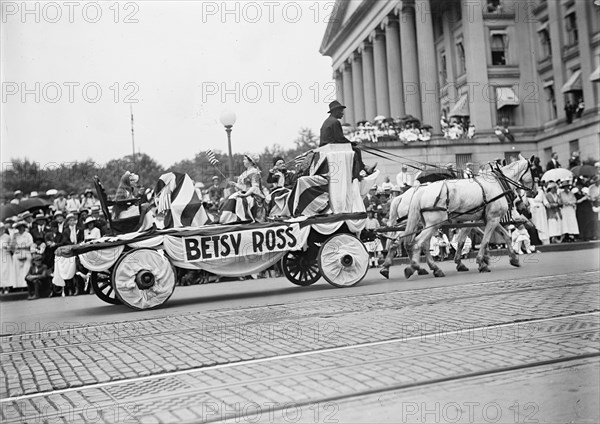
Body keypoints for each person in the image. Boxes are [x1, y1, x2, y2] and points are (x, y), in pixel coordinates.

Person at [319, 100, 377, 180]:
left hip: (327, 147)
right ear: (335, 111)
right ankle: (357, 173)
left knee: (355, 148)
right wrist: (353, 143)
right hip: (331, 147)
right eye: (341, 111)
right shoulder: (335, 122)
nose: (342, 113)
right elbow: (340, 139)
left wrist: (351, 143)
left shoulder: (328, 121)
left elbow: (338, 139)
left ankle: (364, 168)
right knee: (356, 150)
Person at [220, 154, 266, 224]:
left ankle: (240, 219)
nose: (243, 161)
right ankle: (227, 218)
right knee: (229, 198)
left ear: (251, 162)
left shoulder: (255, 172)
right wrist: (235, 184)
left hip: (254, 195)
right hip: (245, 193)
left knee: (236, 198)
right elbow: (244, 187)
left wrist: (245, 195)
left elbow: (255, 187)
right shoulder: (244, 173)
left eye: (245, 159)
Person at [11, 221, 33, 290]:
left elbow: (31, 243)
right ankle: (18, 285)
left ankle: (26, 285)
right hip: (17, 253)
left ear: (24, 227)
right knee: (17, 269)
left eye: (22, 227)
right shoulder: (15, 235)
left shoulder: (28, 234)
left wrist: (22, 246)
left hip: (26, 252)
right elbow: (12, 245)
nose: (20, 228)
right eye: (19, 227)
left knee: (26, 268)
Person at [0, 223, 14, 294]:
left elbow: (12, 247)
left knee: (7, 271)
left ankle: (7, 287)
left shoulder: (7, 237)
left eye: (1, 229)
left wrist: (7, 247)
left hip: (6, 255)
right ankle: (1, 287)